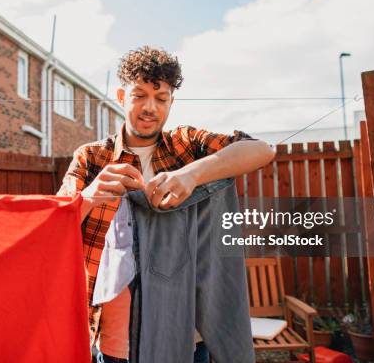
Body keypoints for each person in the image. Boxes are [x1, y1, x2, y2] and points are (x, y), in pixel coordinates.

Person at [57, 46, 275, 362]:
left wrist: (192, 174)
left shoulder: (186, 146)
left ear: (171, 101)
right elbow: (54, 227)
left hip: (185, 337)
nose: (150, 107)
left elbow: (261, 150)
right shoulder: (91, 158)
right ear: (121, 96)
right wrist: (91, 195)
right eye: (139, 95)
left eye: (161, 98)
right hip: (116, 343)